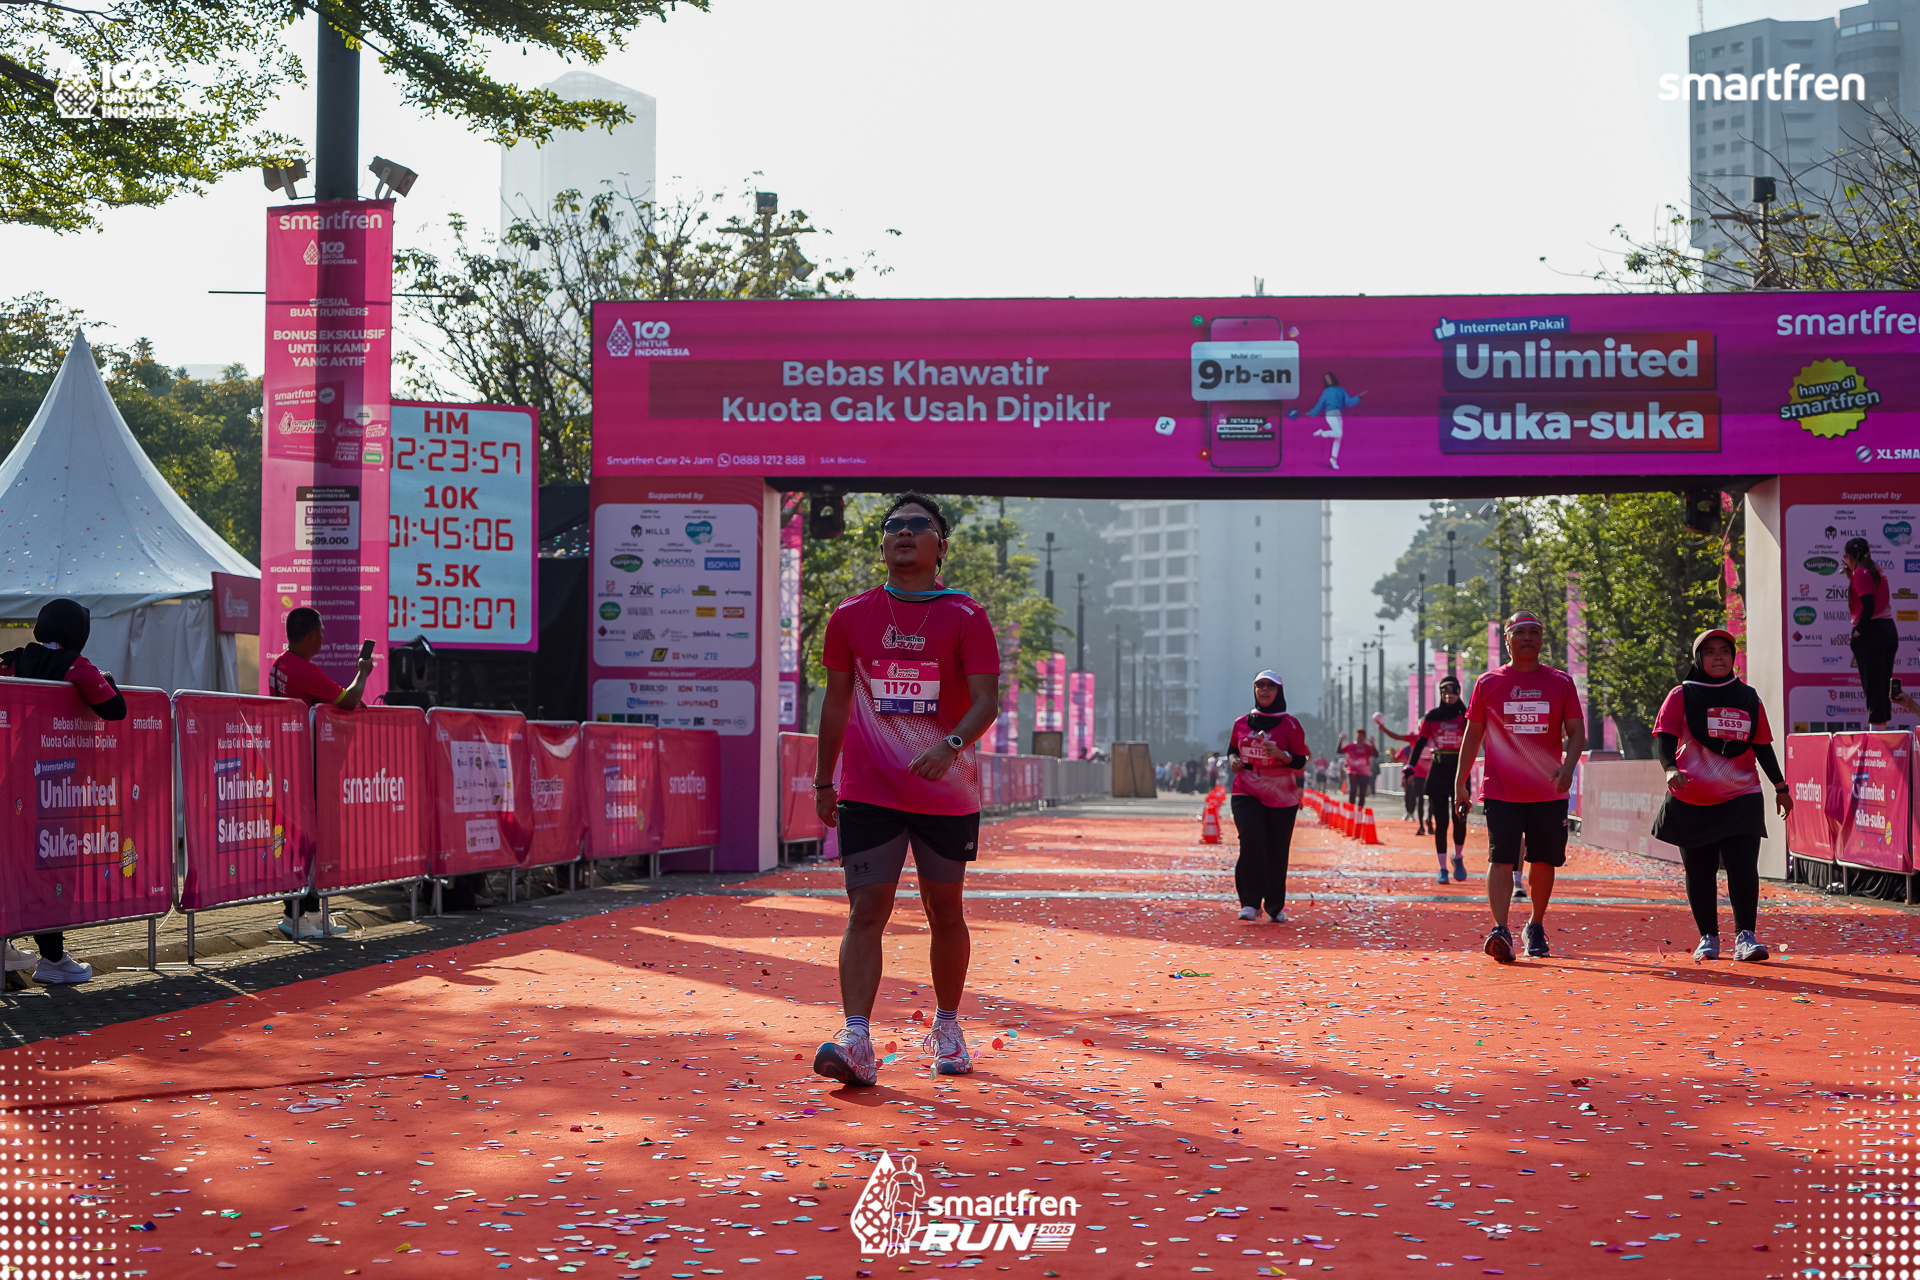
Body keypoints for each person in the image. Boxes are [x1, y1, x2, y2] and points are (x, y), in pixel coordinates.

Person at [812, 493, 1001, 1087]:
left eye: (919, 526)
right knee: (867, 907)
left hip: (946, 790)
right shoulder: (850, 616)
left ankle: (948, 1026)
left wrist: (949, 747)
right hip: (869, 789)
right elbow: (836, 703)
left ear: (940, 547)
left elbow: (986, 702)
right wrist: (823, 780)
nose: (904, 533)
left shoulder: (966, 616)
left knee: (944, 911)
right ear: (882, 543)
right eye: (893, 525)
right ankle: (856, 1038)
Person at [0, 599, 126, 986]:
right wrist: (107, 678)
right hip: (54, 786)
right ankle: (53, 959)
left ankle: (7, 945)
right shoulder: (75, 666)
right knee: (50, 869)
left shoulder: (15, 660)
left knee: (11, 864)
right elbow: (114, 708)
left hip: (13, 778)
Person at [1453, 612, 1586, 963]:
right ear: (1507, 640)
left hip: (1548, 790)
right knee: (1500, 858)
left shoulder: (1560, 682)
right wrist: (1460, 782)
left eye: (1533, 632)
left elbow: (1577, 732)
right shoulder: (1488, 683)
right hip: (1502, 790)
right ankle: (1500, 929)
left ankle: (1535, 925)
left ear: (1541, 640)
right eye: (1519, 632)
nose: (1527, 638)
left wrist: (1568, 767)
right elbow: (1473, 735)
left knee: (1543, 860)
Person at [1652, 629, 1791, 962]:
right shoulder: (1681, 695)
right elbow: (1664, 739)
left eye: (1724, 651)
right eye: (1710, 651)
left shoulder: (1749, 697)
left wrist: (1781, 787)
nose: (1718, 657)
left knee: (1743, 867)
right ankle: (1709, 938)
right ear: (1699, 659)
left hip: (1742, 794)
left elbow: (1762, 746)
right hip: (1692, 797)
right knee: (1699, 871)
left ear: (1733, 658)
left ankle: (1746, 938)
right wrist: (1670, 769)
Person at [270, 607, 375, 938]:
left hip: (293, 764)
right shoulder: (303, 670)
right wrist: (363, 672)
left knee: (308, 841)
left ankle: (312, 915)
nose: (324, 638)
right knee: (306, 842)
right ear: (313, 635)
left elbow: (325, 702)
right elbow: (349, 699)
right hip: (305, 767)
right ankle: (296, 916)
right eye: (322, 632)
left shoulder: (280, 664)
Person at [1226, 671, 1309, 923]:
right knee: (1250, 839)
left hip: (1281, 793)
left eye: (1270, 686)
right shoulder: (1241, 722)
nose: (1264, 690)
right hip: (1246, 789)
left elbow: (1300, 760)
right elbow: (1232, 749)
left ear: (1279, 691)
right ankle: (1249, 903)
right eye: (1259, 685)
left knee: (1276, 848)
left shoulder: (1290, 724)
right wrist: (1233, 761)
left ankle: (1274, 905)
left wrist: (1281, 755)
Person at [1406, 677, 1471, 884]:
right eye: (1444, 692)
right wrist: (1410, 766)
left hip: (1460, 770)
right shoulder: (1432, 716)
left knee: (1460, 818)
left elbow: (1477, 738)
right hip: (1438, 769)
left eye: (1453, 691)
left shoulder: (1466, 715)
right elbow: (1420, 743)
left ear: (1459, 692)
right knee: (1440, 822)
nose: (1448, 695)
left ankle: (1458, 857)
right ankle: (1442, 868)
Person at [1844, 537, 1899, 727]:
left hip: (1872, 631)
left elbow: (1868, 604)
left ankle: (1877, 736)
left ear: (1850, 557)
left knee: (1873, 686)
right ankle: (1882, 731)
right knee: (1882, 685)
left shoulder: (1860, 573)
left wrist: (1858, 630)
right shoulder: (1876, 570)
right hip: (1887, 629)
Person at [1289, 372, 1365, 470]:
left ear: (1333, 378)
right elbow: (1320, 404)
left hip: (1338, 415)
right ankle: (1322, 433)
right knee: (1338, 433)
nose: (1328, 380)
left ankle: (1333, 459)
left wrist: (1359, 397)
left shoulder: (1341, 390)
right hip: (1330, 414)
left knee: (1338, 437)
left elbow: (1348, 402)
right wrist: (1310, 413)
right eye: (1326, 379)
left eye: (1329, 378)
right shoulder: (1326, 391)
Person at [1339, 728, 1377, 808]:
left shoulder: (1367, 747)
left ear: (1364, 737)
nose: (1360, 738)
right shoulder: (1351, 746)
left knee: (1362, 793)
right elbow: (1339, 751)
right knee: (1353, 790)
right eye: (1359, 736)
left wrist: (1373, 745)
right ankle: (1351, 808)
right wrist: (1341, 741)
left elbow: (1376, 754)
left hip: (1364, 773)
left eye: (1362, 736)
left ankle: (1360, 809)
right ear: (1356, 736)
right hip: (1353, 772)